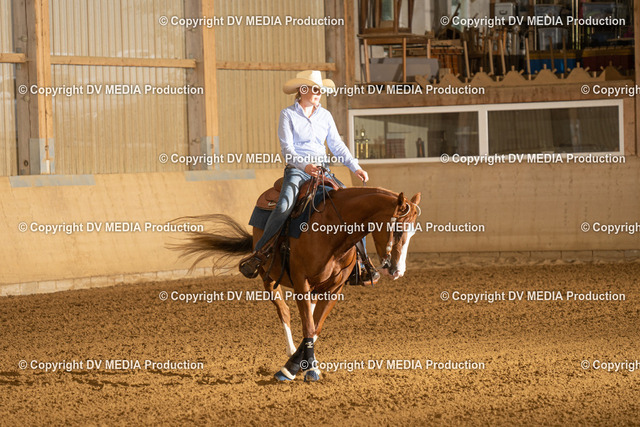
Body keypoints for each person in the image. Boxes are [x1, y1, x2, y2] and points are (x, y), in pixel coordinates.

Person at [239, 70, 380, 285]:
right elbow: (287, 149)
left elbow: (336, 145)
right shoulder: (287, 114)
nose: (318, 93)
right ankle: (260, 253)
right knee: (284, 205)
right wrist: (305, 165)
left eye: (320, 89)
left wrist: (355, 167)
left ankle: (362, 263)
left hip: (323, 171)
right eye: (314, 89)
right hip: (297, 170)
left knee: (353, 207)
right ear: (302, 90)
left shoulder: (325, 116)